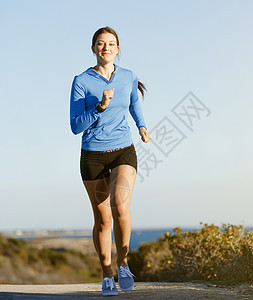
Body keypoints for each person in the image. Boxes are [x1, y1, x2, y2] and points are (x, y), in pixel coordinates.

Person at [69, 26, 152, 296]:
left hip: (122, 151)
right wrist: (99, 108)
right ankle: (107, 274)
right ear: (93, 48)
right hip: (92, 155)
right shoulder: (81, 81)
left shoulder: (128, 76)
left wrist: (141, 126)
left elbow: (133, 103)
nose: (106, 47)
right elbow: (75, 126)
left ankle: (123, 264)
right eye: (101, 43)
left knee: (120, 203)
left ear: (117, 49)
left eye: (111, 43)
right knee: (103, 219)